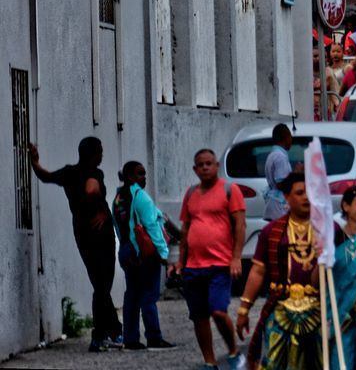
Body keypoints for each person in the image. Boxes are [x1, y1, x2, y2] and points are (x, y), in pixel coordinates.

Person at [29, 137, 123, 352]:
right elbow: (91, 190)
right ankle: (101, 335)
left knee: (98, 283)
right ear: (93, 153)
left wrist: (35, 162)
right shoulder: (93, 173)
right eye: (101, 151)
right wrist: (100, 209)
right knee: (103, 284)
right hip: (100, 233)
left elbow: (45, 177)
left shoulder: (69, 172)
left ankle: (114, 330)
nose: (102, 155)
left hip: (81, 233)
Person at [237, 172, 323, 370]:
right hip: (281, 307)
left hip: (321, 310)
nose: (306, 197)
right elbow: (258, 271)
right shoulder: (272, 231)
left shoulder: (329, 230)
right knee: (275, 364)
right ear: (286, 196)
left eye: (310, 192)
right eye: (300, 193)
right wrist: (243, 310)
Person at [179, 148, 247, 370]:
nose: (205, 167)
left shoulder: (230, 190)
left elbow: (240, 225)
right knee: (199, 316)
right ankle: (209, 362)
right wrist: (180, 262)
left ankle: (233, 351)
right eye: (201, 164)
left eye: (209, 163)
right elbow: (185, 229)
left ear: (217, 165)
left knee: (218, 310)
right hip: (194, 265)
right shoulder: (191, 194)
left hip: (220, 264)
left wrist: (236, 257)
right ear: (195, 169)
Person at [111, 160, 174, 351]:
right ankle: (154, 337)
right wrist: (163, 253)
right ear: (130, 176)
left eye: (144, 173)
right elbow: (152, 226)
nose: (144, 177)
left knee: (132, 294)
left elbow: (119, 226)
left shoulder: (119, 198)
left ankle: (130, 339)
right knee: (148, 294)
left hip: (126, 250)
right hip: (143, 252)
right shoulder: (140, 196)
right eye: (140, 173)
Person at [263, 123, 293, 222]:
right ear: (285, 137)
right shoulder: (280, 157)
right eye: (290, 137)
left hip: (274, 204)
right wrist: (296, 174)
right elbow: (281, 184)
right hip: (279, 206)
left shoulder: (272, 155)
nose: (291, 140)